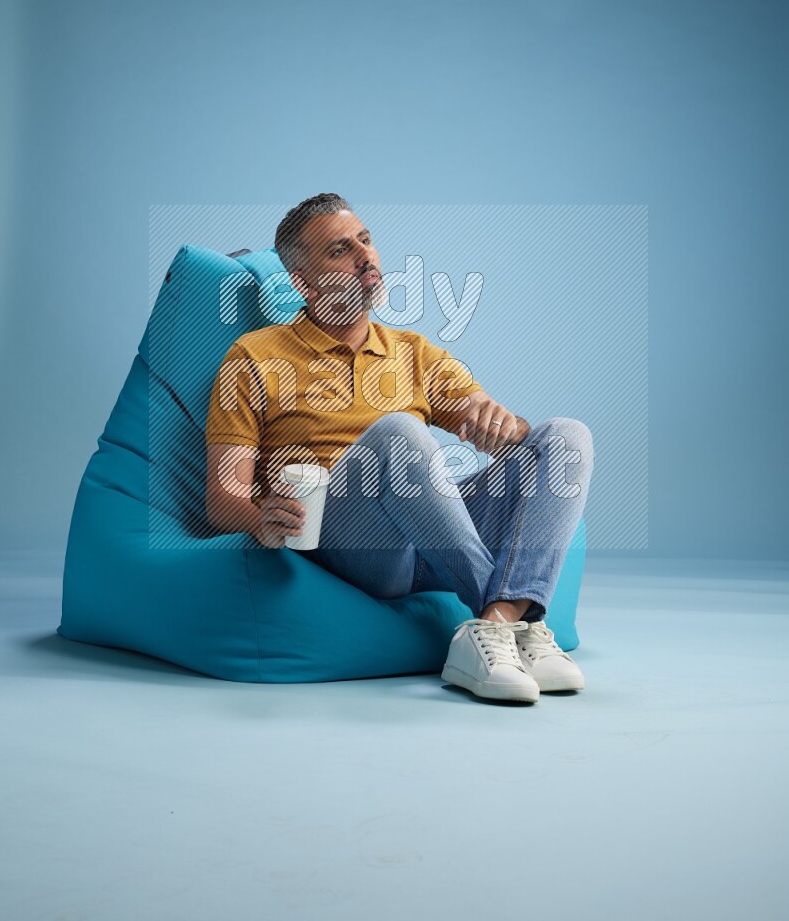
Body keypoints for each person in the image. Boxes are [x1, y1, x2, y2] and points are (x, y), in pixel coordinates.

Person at [205, 193, 594, 705]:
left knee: (565, 437)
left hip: (431, 537)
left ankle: (498, 624)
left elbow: (509, 433)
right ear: (302, 282)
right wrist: (260, 518)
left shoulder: (413, 353)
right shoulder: (254, 356)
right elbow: (221, 496)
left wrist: (501, 423)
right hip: (348, 542)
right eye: (340, 251)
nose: (366, 256)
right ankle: (516, 625)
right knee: (398, 434)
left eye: (366, 240)